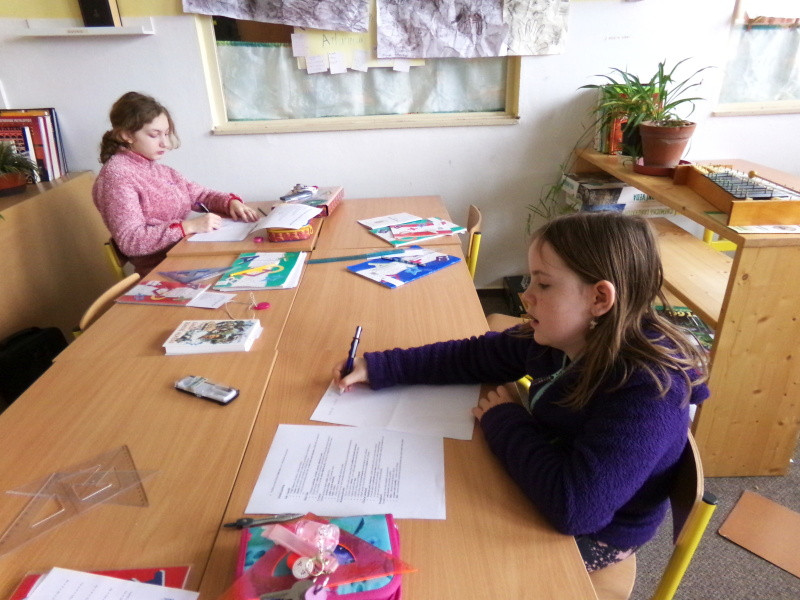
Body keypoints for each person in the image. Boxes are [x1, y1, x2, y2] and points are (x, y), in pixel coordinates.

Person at [333, 211, 710, 573]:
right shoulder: (562, 334)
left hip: (594, 533)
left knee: (438, 554)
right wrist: (382, 367)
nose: (525, 296)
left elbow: (576, 510)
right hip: (552, 469)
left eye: (543, 284)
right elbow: (477, 356)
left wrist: (505, 421)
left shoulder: (647, 391)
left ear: (599, 299)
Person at [92, 91, 259, 276]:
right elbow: (131, 241)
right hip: (162, 271)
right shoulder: (117, 177)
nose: (164, 143)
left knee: (254, 262)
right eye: (154, 135)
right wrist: (188, 227)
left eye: (166, 134)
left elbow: (200, 195)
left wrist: (230, 202)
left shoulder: (159, 170)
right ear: (126, 135)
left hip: (185, 254)